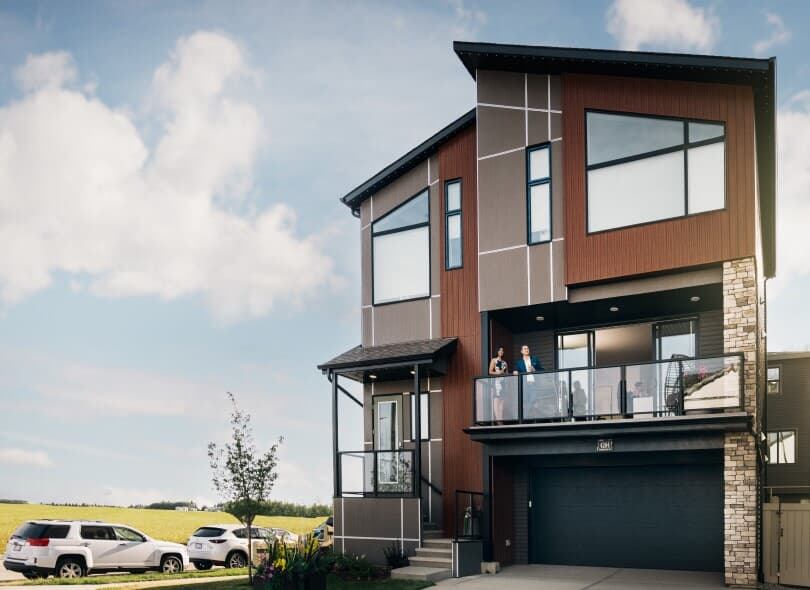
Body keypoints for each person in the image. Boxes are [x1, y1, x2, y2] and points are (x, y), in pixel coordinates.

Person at [488, 347, 509, 423]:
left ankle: (501, 420)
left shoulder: (505, 362)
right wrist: (498, 373)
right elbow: (490, 371)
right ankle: (498, 420)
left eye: (502, 350)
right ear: (497, 351)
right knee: (496, 400)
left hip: (503, 382)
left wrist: (504, 373)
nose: (501, 351)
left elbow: (507, 373)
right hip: (496, 382)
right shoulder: (494, 360)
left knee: (502, 402)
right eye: (500, 350)